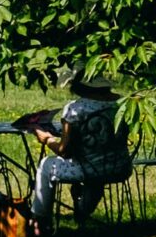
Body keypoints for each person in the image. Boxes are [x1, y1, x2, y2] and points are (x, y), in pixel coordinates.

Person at [27, 71, 131, 226]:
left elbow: (64, 150)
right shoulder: (123, 103)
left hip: (88, 169)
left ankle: (39, 220)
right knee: (95, 177)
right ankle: (82, 211)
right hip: (120, 166)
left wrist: (47, 139)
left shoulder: (77, 108)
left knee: (46, 165)